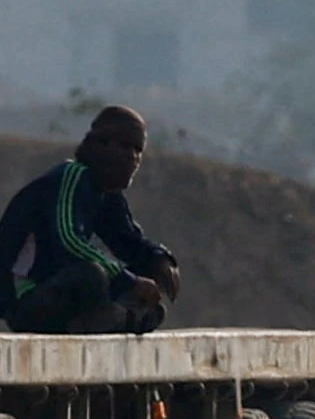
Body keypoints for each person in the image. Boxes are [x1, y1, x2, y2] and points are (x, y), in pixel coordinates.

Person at [0, 106, 181, 334]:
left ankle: (108, 319)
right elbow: (68, 242)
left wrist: (158, 259)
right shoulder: (71, 178)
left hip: (65, 297)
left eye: (138, 150)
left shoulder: (108, 194)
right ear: (101, 145)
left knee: (151, 305)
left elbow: (128, 241)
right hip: (27, 300)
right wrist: (129, 282)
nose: (132, 157)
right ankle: (111, 320)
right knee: (91, 275)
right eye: (124, 146)